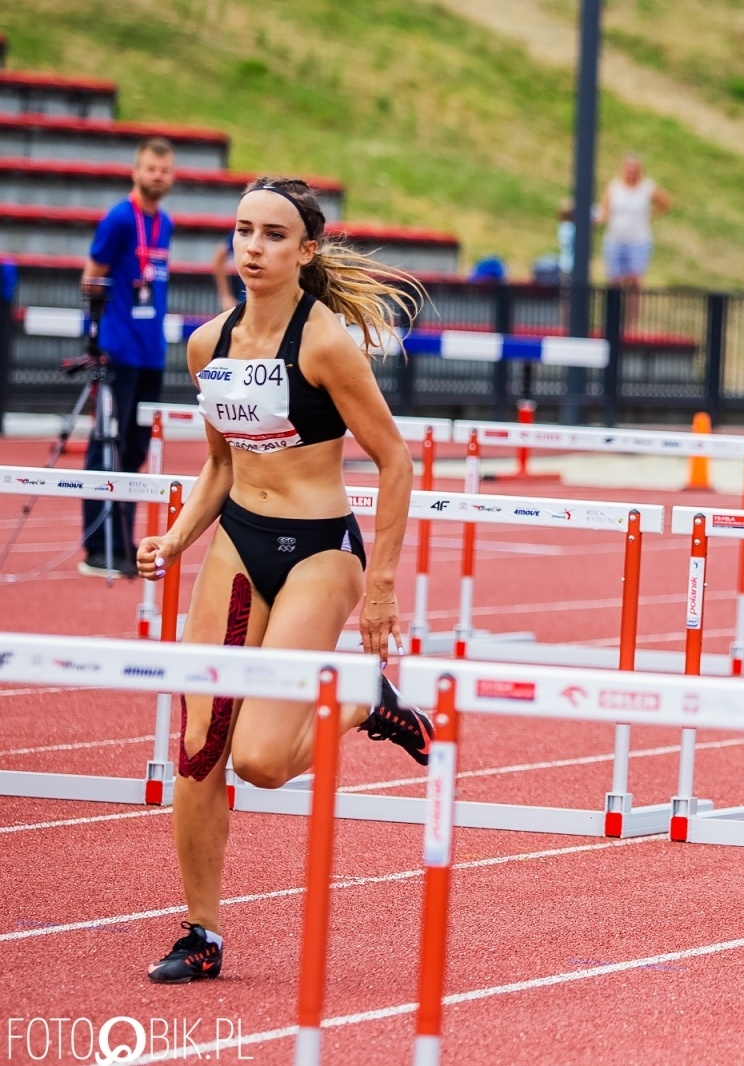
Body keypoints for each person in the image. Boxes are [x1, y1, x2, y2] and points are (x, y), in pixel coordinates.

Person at [134, 177, 434, 983]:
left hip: (318, 551)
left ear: (306, 251)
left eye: (273, 235)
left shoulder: (324, 343)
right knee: (200, 750)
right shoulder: (208, 345)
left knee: (263, 761)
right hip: (238, 539)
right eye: (243, 231)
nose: (254, 247)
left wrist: (382, 589)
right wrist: (176, 534)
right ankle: (201, 933)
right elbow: (220, 467)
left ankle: (367, 701)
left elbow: (396, 460)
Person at [79, 138, 176, 578]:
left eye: (164, 169)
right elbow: (92, 277)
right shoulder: (119, 219)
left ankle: (123, 538)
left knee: (135, 450)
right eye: (151, 168)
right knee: (106, 445)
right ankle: (98, 545)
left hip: (150, 353)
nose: (158, 175)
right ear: (135, 172)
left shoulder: (166, 223)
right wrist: (95, 335)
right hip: (118, 351)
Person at [597, 153, 671, 290]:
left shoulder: (646, 187)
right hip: (615, 240)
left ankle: (632, 312)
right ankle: (615, 310)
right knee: (614, 281)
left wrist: (651, 215)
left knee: (635, 282)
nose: (631, 172)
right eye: (628, 168)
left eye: (634, 169)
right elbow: (604, 211)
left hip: (638, 241)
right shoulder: (614, 187)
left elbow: (665, 202)